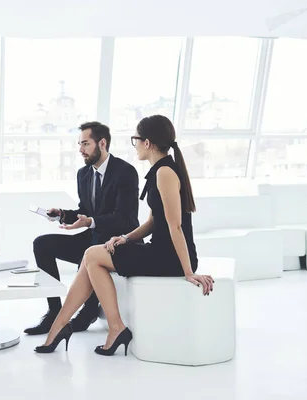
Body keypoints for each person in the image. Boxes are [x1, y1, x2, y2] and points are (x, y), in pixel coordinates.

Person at [34, 115, 214, 356]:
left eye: (136, 140)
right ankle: (74, 326)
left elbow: (176, 226)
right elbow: (152, 221)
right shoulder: (158, 171)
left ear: (147, 142)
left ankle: (97, 327)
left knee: (92, 255)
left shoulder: (164, 173)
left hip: (167, 257)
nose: (135, 145)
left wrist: (189, 272)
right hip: (158, 250)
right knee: (93, 257)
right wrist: (126, 238)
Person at [24, 121, 140, 335]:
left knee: (91, 251)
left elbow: (125, 218)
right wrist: (62, 214)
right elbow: (86, 211)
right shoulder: (84, 174)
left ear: (102, 143)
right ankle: (54, 312)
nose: (80, 150)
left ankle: (88, 312)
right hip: (94, 237)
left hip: (119, 241)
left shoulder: (125, 172)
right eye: (80, 144)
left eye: (85, 144)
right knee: (42, 244)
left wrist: (91, 222)